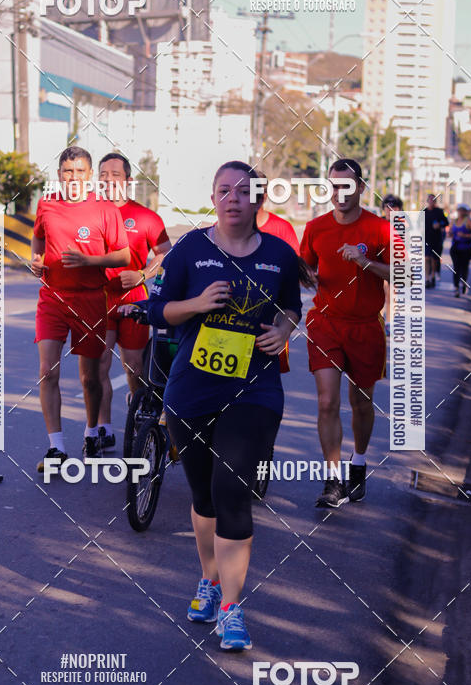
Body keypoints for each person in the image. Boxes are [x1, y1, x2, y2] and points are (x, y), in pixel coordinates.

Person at [147, 160, 312, 651]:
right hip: (192, 390)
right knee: (204, 498)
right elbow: (159, 309)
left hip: (254, 390)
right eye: (224, 190)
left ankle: (231, 610)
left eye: (244, 191)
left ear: (259, 200)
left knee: (232, 490)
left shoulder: (280, 255)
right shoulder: (190, 250)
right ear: (213, 197)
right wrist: (197, 304)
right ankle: (209, 578)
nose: (234, 198)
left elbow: (290, 307)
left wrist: (283, 329)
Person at [300, 158, 392, 509]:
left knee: (361, 403)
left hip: (366, 326)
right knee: (327, 401)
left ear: (362, 188)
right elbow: (305, 267)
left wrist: (364, 262)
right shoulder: (316, 227)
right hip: (325, 323)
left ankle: (358, 463)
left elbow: (404, 275)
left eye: (347, 186)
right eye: (334, 186)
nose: (339, 193)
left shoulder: (380, 228)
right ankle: (333, 480)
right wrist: (305, 277)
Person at [31, 147, 130, 471]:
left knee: (90, 378)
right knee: (48, 370)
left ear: (89, 175)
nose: (73, 177)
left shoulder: (104, 209)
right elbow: (38, 241)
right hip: (53, 298)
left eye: (79, 171)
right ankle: (56, 447)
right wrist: (36, 261)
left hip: (90, 299)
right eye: (67, 171)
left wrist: (90, 261)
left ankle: (91, 431)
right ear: (59, 173)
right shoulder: (46, 204)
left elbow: (123, 256)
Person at [97, 152, 172, 450]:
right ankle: (102, 428)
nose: (108, 180)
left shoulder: (146, 217)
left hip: (133, 300)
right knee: (98, 367)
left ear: (128, 181)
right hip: (98, 300)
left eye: (115, 174)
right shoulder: (89, 213)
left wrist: (143, 275)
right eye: (103, 174)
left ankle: (137, 410)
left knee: (135, 368)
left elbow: (166, 252)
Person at [381, 194, 403, 332]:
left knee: (392, 293)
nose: (390, 210)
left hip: (397, 263)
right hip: (381, 263)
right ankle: (381, 319)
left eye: (393, 207)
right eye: (387, 207)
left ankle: (389, 322)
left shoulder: (403, 224)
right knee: (382, 292)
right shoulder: (379, 222)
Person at [449, 204, 471, 298]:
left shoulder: (468, 221)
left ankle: (464, 284)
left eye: (463, 210)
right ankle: (456, 288)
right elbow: (449, 233)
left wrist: (465, 236)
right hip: (455, 248)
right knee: (456, 268)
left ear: (465, 212)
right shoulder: (454, 221)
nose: (461, 212)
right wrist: (450, 233)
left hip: (466, 249)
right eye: (459, 210)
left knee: (464, 268)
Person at [424, 194, 449, 289]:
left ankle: (433, 276)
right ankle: (427, 279)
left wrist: (440, 224)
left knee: (434, 259)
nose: (431, 202)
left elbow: (446, 222)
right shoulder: (424, 212)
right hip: (426, 239)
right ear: (427, 201)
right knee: (426, 258)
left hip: (436, 239)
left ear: (435, 202)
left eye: (433, 200)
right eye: (429, 200)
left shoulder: (439, 212)